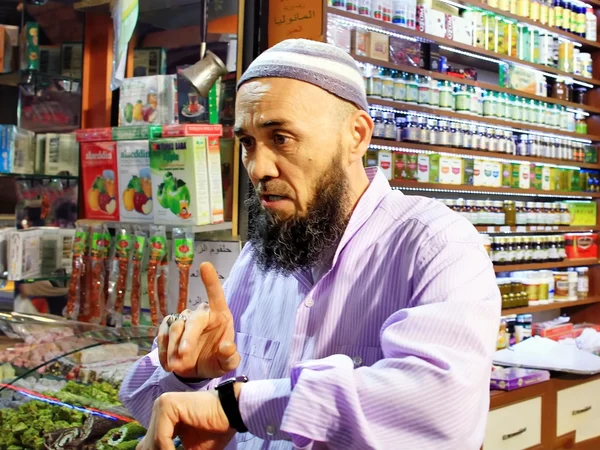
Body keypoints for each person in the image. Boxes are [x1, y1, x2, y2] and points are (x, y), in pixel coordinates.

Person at [121, 38, 501, 450]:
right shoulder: (258, 260)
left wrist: (240, 406)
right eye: (247, 143)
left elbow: (441, 410)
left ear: (355, 135)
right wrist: (189, 374)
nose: (259, 168)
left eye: (281, 138)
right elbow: (145, 408)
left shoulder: (435, 244)